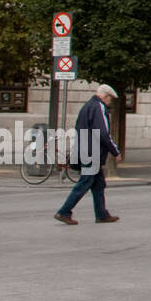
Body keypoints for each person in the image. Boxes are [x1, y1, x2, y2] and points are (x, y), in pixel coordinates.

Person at [55, 84, 121, 225]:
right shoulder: (99, 107)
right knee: (84, 183)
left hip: (86, 150)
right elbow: (103, 133)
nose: (110, 102)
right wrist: (115, 151)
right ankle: (64, 211)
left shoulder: (86, 107)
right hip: (93, 153)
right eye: (110, 99)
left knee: (98, 184)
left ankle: (102, 214)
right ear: (105, 96)